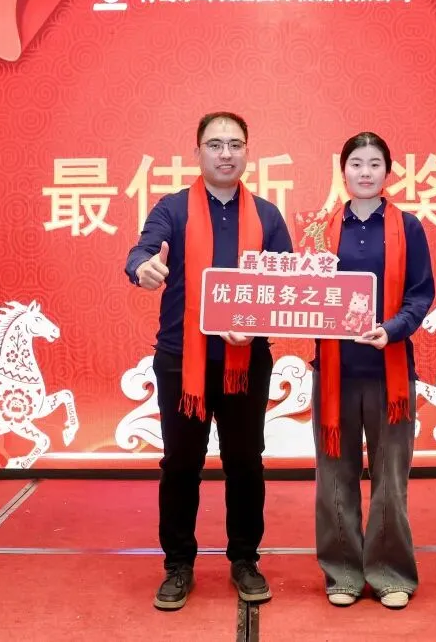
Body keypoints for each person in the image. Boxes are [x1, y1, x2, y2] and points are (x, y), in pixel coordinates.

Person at [125, 111, 294, 611]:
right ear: (197, 152)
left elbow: (285, 287)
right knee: (181, 464)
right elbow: (141, 252)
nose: (226, 154)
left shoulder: (267, 216)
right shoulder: (172, 209)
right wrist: (144, 268)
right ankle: (178, 565)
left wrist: (256, 323)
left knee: (245, 463)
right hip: (182, 361)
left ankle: (244, 560)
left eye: (235, 144)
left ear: (247, 152)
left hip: (247, 360)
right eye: (215, 144)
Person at [312, 131, 436, 610]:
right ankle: (342, 573)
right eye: (356, 163)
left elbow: (421, 294)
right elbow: (301, 293)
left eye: (374, 164)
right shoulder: (319, 229)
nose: (365, 172)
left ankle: (390, 574)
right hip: (333, 372)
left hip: (390, 372)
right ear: (342, 170)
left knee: (390, 479)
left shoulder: (409, 227)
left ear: (388, 171)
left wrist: (393, 329)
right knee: (334, 477)